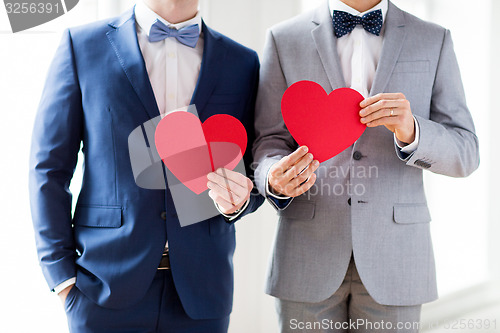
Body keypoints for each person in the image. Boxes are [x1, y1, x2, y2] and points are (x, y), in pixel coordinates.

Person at [29, 0, 263, 331]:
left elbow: (254, 170)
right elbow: (49, 168)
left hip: (203, 291)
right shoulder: (82, 46)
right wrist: (61, 277)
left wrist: (239, 199)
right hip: (102, 287)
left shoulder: (242, 62)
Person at [252, 0, 479, 332]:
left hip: (397, 258)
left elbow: (467, 151)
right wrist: (273, 176)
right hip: (307, 252)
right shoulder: (284, 38)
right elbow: (267, 141)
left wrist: (412, 130)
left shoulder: (433, 38)